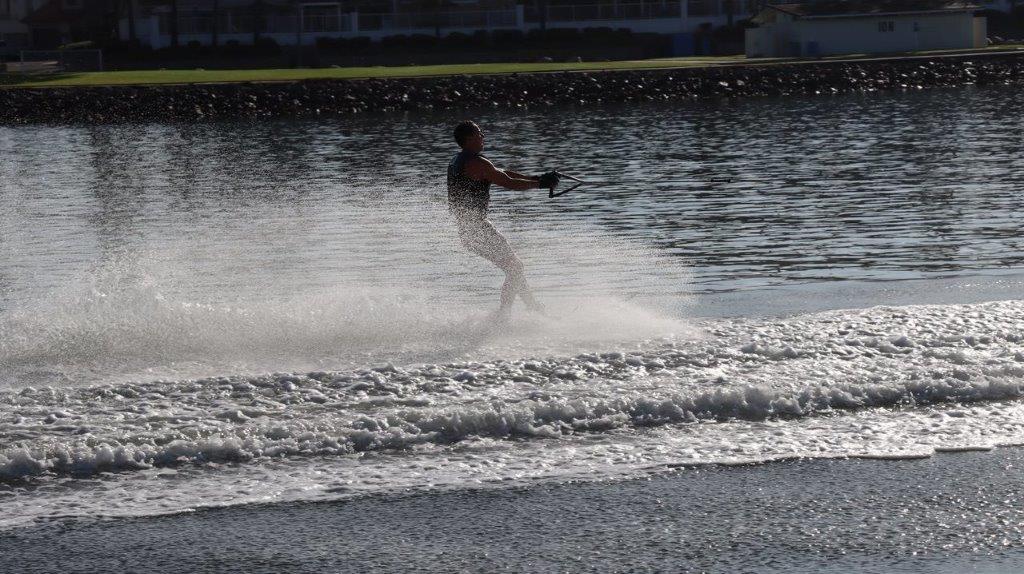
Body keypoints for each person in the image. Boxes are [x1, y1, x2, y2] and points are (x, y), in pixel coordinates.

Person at [447, 120, 559, 322]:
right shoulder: (475, 163)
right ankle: (504, 317)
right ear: (470, 138)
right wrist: (540, 185)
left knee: (514, 267)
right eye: (480, 133)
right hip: (476, 229)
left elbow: (503, 173)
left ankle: (533, 308)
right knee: (515, 268)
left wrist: (536, 177)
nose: (483, 137)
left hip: (472, 227)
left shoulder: (462, 159)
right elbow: (508, 182)